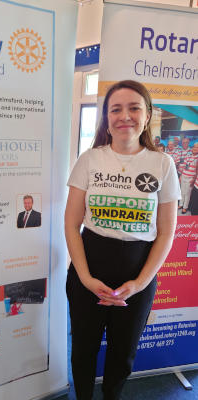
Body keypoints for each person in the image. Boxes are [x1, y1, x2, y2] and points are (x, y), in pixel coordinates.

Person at [65, 80, 180, 400]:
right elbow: (72, 224)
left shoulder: (163, 164)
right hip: (89, 267)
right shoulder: (89, 159)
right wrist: (86, 278)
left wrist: (140, 283)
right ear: (106, 117)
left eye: (134, 108)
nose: (124, 115)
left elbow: (166, 231)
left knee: (123, 354)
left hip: (137, 272)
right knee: (83, 349)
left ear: (147, 116)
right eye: (116, 109)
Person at [179, 142, 198, 214]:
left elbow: (197, 171)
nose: (195, 149)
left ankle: (185, 207)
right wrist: (181, 176)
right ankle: (180, 205)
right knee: (182, 191)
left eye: (197, 148)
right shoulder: (188, 155)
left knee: (187, 194)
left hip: (190, 178)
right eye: (194, 147)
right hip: (184, 176)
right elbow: (184, 166)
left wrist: (194, 179)